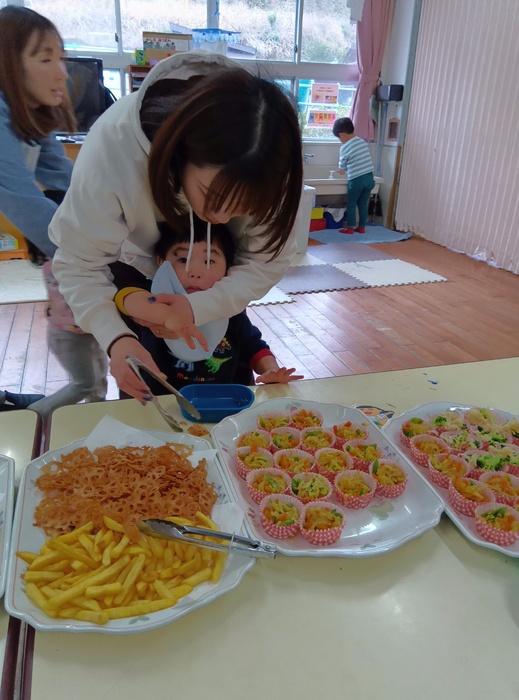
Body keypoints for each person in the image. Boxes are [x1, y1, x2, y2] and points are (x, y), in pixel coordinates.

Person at [48, 50, 303, 402]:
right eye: (212, 196)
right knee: (142, 375)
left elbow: (264, 262)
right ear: (179, 154)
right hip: (134, 261)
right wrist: (117, 339)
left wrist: (200, 306)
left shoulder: (274, 158)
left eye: (245, 207)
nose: (222, 218)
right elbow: (79, 264)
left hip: (217, 272)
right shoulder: (115, 148)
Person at [0, 6, 108, 417]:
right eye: (46, 59)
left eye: (61, 58)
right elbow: (23, 200)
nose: (63, 73)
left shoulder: (27, 118)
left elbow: (69, 179)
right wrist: (94, 255)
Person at [114, 217, 303, 393]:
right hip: (165, 402)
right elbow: (123, 299)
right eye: (182, 260)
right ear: (161, 262)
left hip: (226, 400)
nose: (195, 272)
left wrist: (271, 371)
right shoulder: (153, 302)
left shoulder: (228, 307)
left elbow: (254, 346)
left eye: (209, 261)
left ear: (229, 268)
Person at [332, 117, 375, 235]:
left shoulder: (345, 147)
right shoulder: (363, 142)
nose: (340, 141)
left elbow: (343, 163)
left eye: (339, 138)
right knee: (363, 203)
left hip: (357, 179)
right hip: (369, 178)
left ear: (342, 135)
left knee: (351, 203)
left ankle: (350, 228)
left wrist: (341, 170)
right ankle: (362, 227)